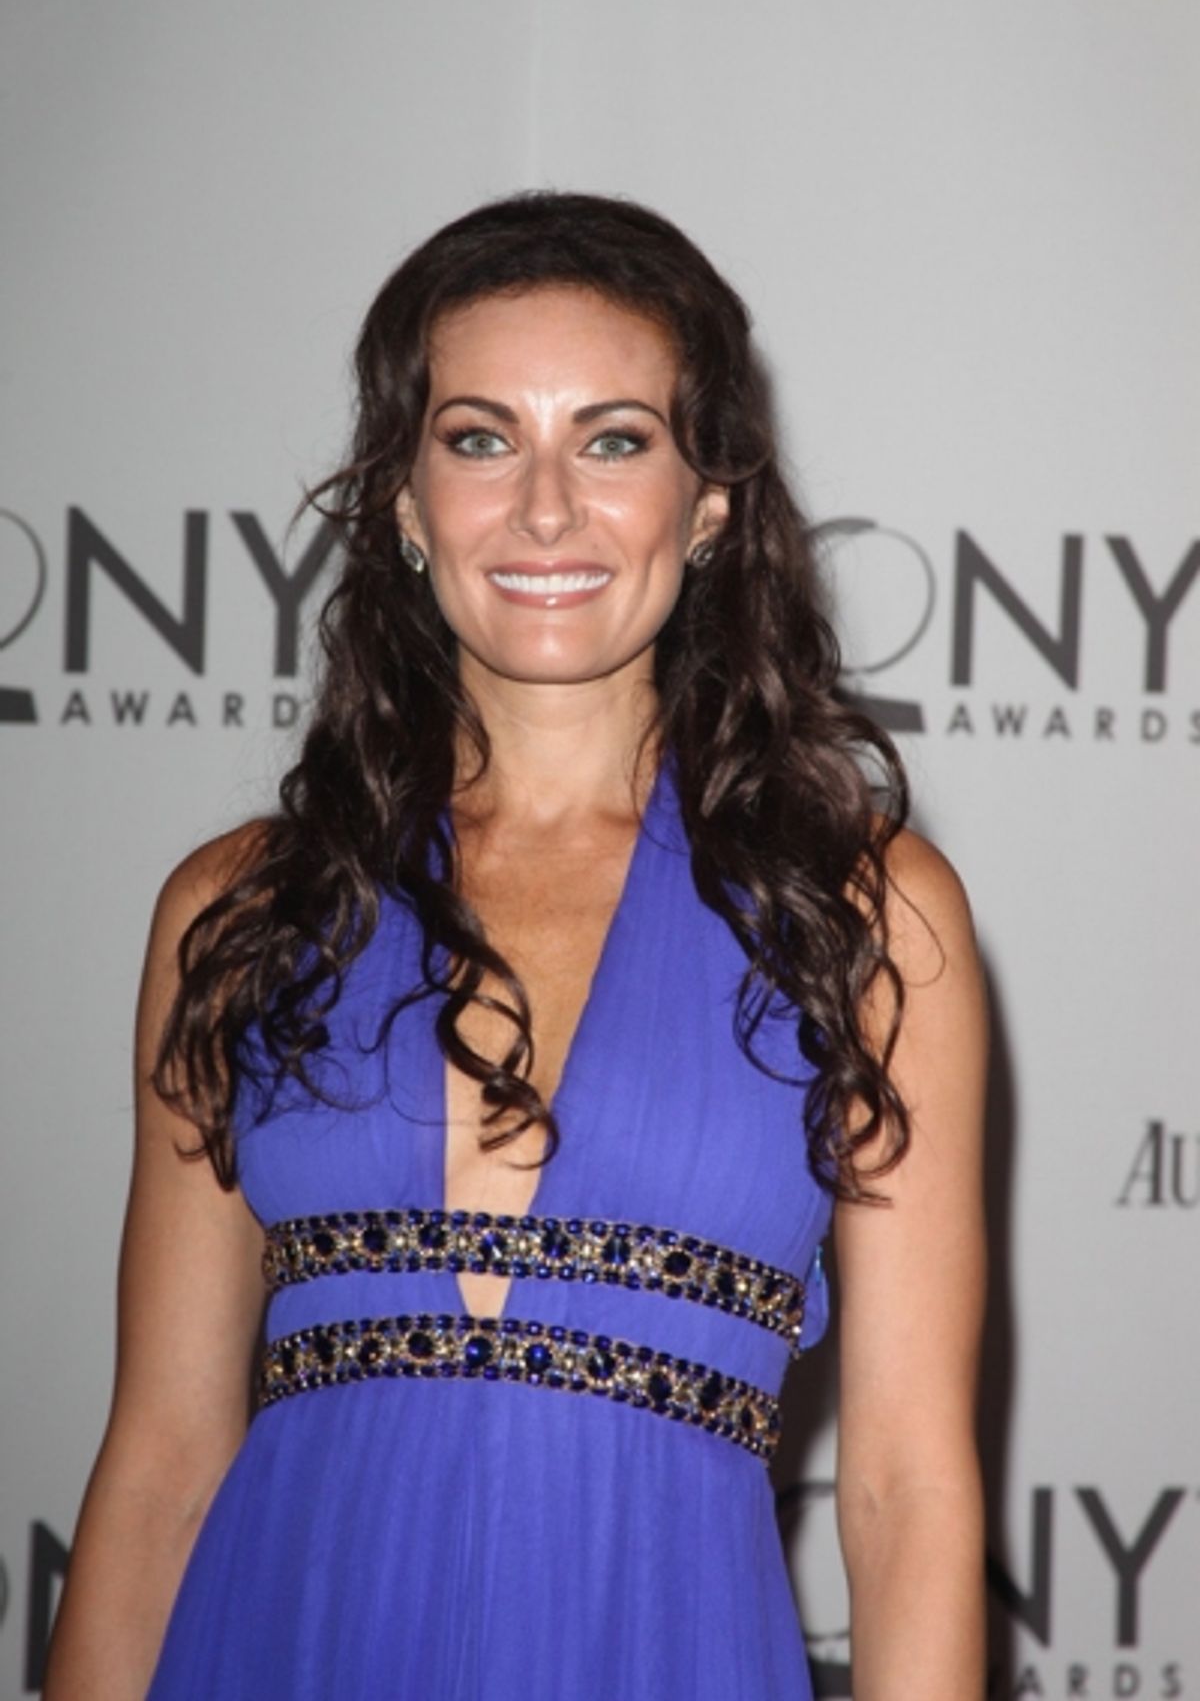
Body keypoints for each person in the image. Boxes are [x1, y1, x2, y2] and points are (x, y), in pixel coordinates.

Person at [44, 192, 988, 1700]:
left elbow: (905, 1491)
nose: (546, 511)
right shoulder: (241, 910)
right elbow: (160, 1462)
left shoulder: (865, 911)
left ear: (712, 501)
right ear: (406, 504)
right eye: (480, 439)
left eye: (614, 440)